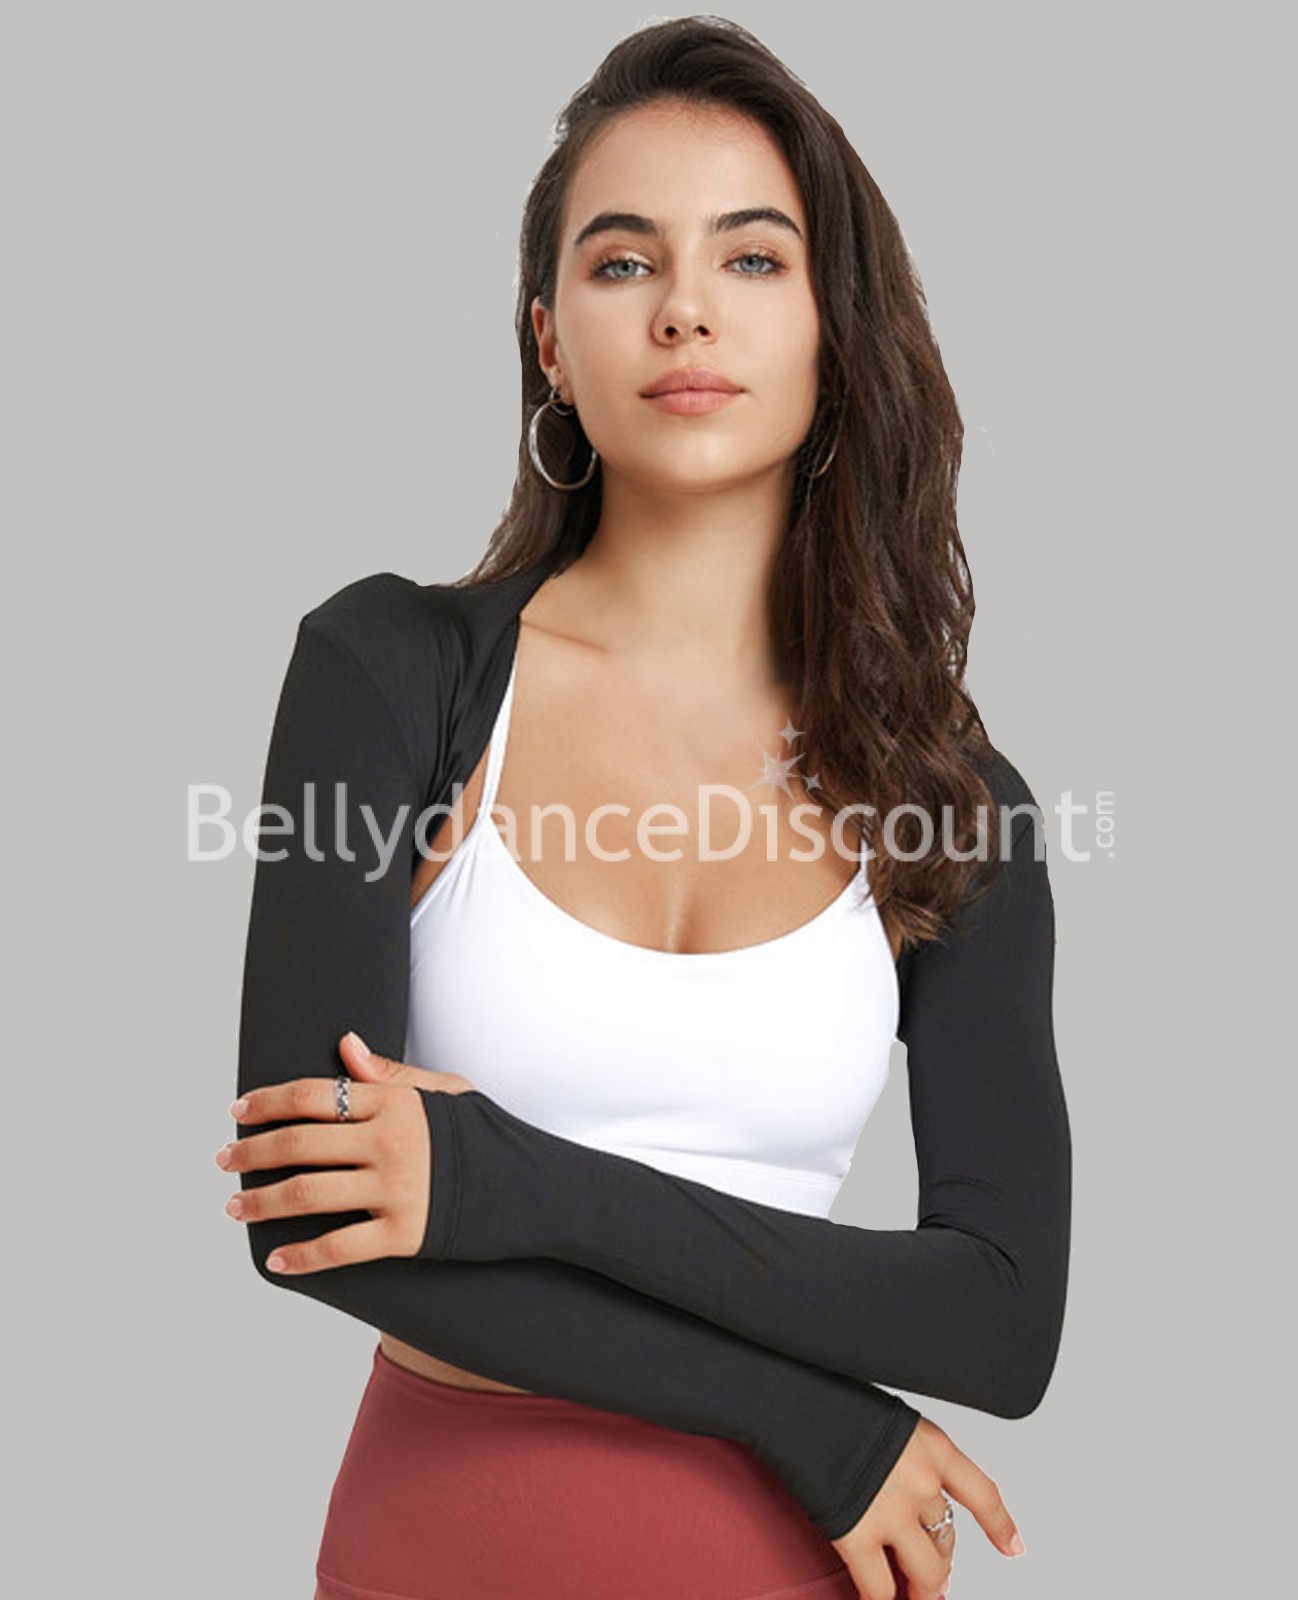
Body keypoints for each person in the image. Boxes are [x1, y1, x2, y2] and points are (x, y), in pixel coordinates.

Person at [219, 17, 1071, 1600]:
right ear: (549, 341)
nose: (684, 307)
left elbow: (998, 1321)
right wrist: (806, 1420)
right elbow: (298, 1202)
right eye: (622, 263)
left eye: (750, 259)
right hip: (448, 1545)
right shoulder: (389, 671)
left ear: (831, 330)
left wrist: (497, 1179)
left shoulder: (950, 804)